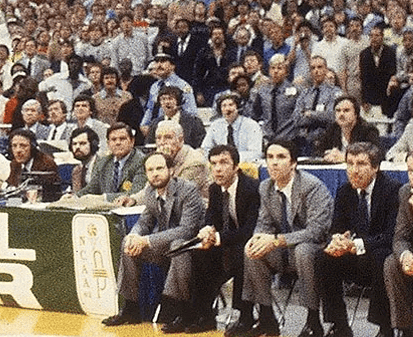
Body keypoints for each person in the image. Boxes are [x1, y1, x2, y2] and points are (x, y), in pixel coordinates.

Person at [237, 139, 333, 337]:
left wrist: (276, 240)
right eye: (270, 157)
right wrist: (257, 239)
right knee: (252, 251)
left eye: (281, 157)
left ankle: (313, 322)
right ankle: (266, 318)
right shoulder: (265, 187)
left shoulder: (312, 186)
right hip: (285, 250)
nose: (274, 162)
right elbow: (264, 224)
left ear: (293, 163)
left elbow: (317, 231)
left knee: (303, 250)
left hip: (317, 249)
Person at [101, 152, 205, 329]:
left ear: (171, 170)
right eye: (150, 170)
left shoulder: (188, 189)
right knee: (128, 242)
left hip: (193, 247)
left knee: (177, 245)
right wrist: (135, 236)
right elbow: (144, 222)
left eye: (159, 168)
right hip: (165, 246)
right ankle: (131, 308)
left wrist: (147, 240)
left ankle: (181, 312)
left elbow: (187, 230)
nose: (155, 173)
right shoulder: (150, 191)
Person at [312, 142, 399, 337]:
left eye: (361, 164)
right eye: (349, 164)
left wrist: (356, 245)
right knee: (323, 257)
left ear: (375, 167)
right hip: (356, 255)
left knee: (382, 257)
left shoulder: (392, 190)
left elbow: (391, 235)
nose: (353, 170)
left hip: (379, 255)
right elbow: (337, 227)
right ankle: (339, 325)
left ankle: (385, 329)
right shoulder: (345, 191)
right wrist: (337, 240)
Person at [176, 145, 262, 333]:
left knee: (242, 252)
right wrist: (207, 230)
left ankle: (244, 315)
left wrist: (218, 237)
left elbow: (250, 230)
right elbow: (212, 217)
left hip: (251, 243)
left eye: (224, 163)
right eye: (213, 164)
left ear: (236, 166)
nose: (218, 169)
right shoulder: (214, 189)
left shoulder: (252, 188)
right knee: (200, 251)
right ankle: (204, 315)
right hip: (227, 243)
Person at [74, 123, 146, 201]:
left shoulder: (142, 161)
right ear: (108, 144)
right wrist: (75, 197)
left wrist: (104, 198)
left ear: (132, 141)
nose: (118, 143)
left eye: (122, 139)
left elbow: (136, 193)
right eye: (113, 139)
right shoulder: (103, 162)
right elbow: (92, 188)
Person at [383, 152, 413, 337]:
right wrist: (405, 255)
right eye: (410, 171)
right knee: (392, 263)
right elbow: (400, 237)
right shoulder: (405, 192)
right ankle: (405, 329)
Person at [312, 96, 381, 163]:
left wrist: (345, 157)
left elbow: (378, 154)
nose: (341, 114)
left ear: (356, 114)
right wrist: (327, 154)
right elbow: (317, 151)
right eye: (338, 111)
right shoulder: (333, 128)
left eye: (346, 110)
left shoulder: (368, 130)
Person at [201, 93, 266, 164]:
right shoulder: (215, 125)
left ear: (237, 107)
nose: (227, 109)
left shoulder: (251, 125)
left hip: (245, 165)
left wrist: (230, 158)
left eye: (231, 105)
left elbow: (256, 153)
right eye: (224, 106)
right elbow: (205, 148)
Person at [68, 126, 100, 192]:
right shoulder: (77, 170)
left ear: (93, 145)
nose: (77, 147)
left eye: (82, 143)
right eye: (74, 144)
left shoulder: (103, 165)